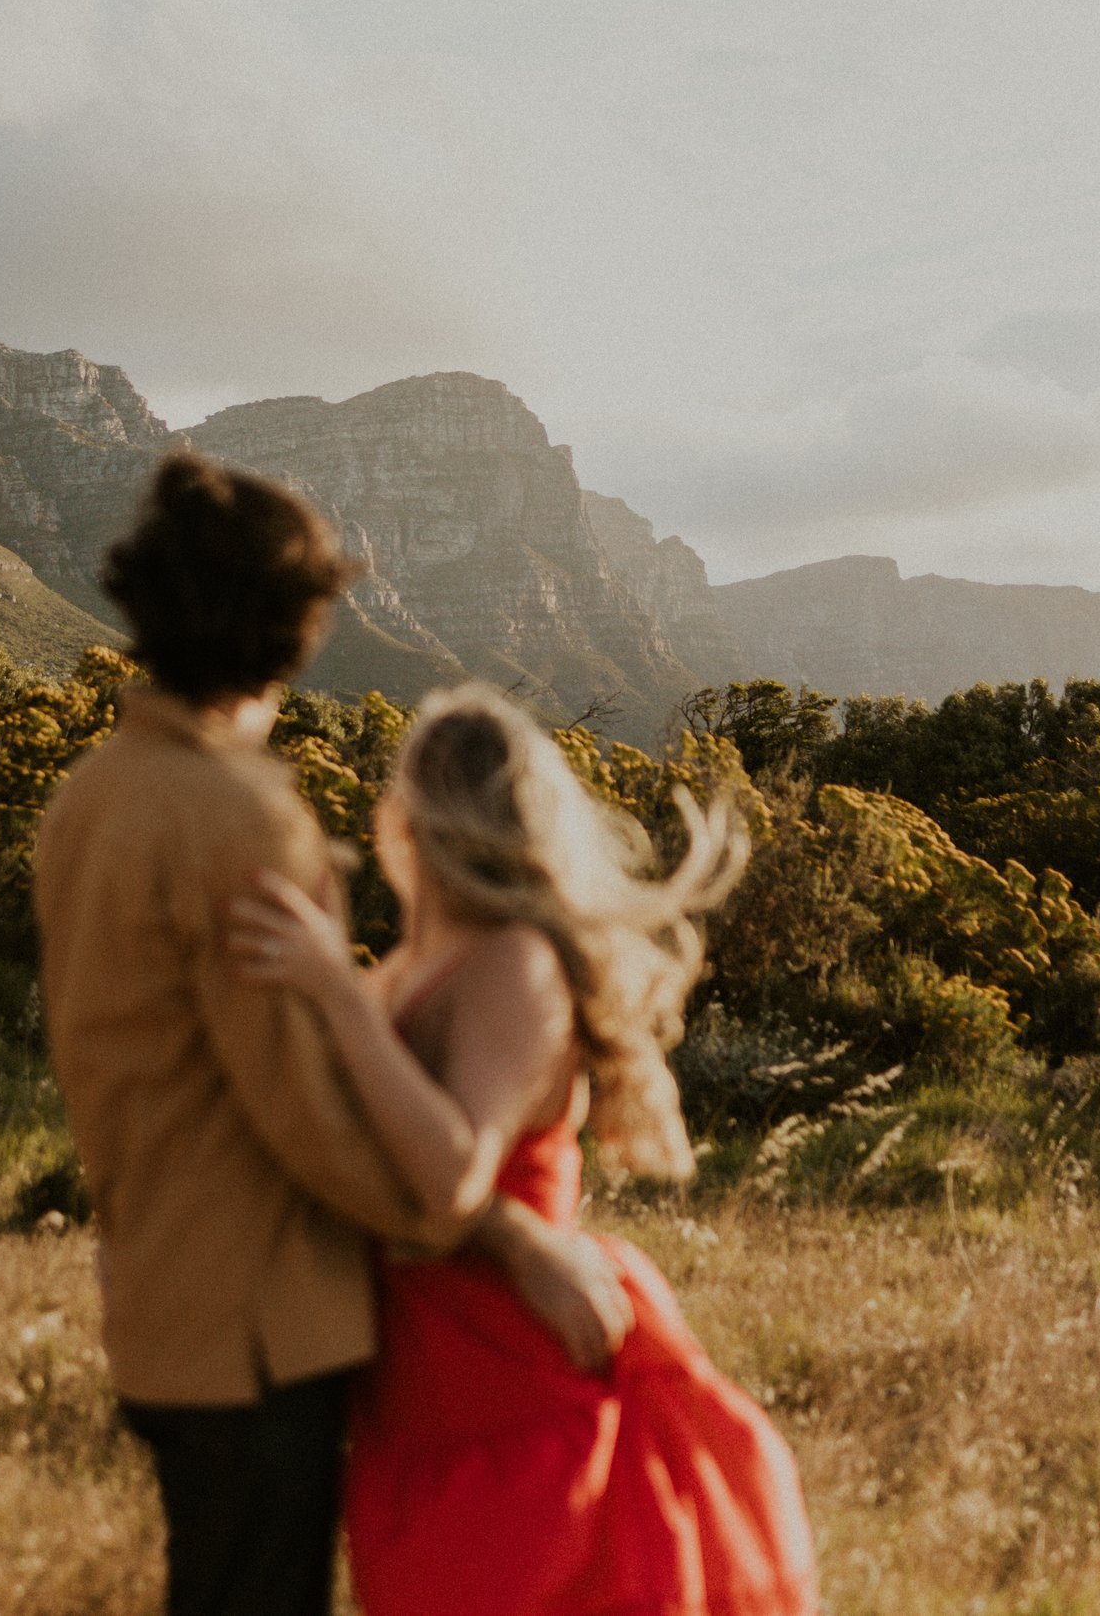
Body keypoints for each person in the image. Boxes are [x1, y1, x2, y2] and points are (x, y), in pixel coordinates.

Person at [33, 453, 638, 1616]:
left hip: (156, 1297)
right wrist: (500, 1228)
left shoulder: (89, 795)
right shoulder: (243, 815)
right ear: (293, 627)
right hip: (259, 1327)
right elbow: (301, 1105)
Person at [228, 682, 823, 1616]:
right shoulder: (404, 972)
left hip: (511, 1371)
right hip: (423, 1380)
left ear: (410, 821)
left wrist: (334, 993)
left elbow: (451, 1175)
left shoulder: (514, 962)